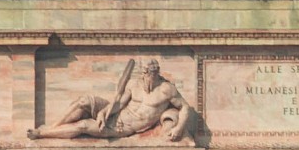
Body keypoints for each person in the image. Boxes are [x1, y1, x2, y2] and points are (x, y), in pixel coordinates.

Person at [30, 57, 195, 142]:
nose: (148, 77)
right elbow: (120, 103)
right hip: (117, 114)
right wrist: (103, 112)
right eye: (145, 73)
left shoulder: (167, 89)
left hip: (125, 127)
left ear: (156, 73)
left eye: (151, 73)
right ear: (142, 72)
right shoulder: (135, 84)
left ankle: (43, 134)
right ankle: (53, 126)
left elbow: (185, 108)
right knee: (83, 101)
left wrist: (179, 128)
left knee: (83, 126)